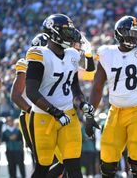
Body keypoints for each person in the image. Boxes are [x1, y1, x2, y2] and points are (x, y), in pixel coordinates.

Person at [87, 15, 137, 178]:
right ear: (118, 34)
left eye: (136, 34)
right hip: (115, 111)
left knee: (136, 162)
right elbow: (97, 87)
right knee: (107, 161)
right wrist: (89, 113)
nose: (133, 37)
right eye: (129, 33)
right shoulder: (106, 53)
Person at [25, 13, 98, 177]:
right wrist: (54, 111)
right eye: (66, 31)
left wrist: (82, 104)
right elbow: (31, 91)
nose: (70, 35)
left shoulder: (72, 55)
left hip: (68, 115)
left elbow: (75, 89)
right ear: (53, 33)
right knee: (42, 168)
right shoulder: (39, 54)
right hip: (43, 117)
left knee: (74, 167)